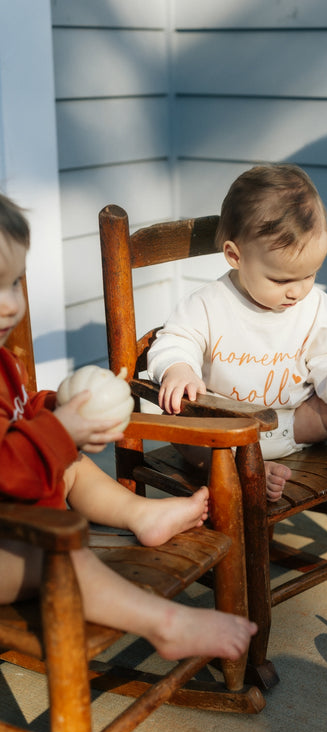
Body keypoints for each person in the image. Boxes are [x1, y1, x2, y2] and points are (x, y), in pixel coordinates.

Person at [0, 192, 256, 663]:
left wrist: (56, 410)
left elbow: (14, 420)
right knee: (64, 555)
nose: (7, 306)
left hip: (19, 519)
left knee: (72, 465)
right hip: (11, 544)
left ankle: (142, 515)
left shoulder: (1, 362)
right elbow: (7, 469)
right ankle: (164, 625)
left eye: (14, 283)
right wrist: (57, 429)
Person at [147, 163, 327, 507]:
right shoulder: (209, 304)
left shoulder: (314, 305)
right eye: (281, 280)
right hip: (228, 432)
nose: (297, 291)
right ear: (235, 256)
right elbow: (176, 338)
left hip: (297, 422)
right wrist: (178, 367)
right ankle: (252, 471)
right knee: (190, 435)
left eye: (310, 275)